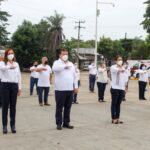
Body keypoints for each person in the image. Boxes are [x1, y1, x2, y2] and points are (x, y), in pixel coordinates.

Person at [52, 48, 78, 130]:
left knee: (68, 107)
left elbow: (75, 76)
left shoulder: (71, 64)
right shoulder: (56, 63)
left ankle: (66, 122)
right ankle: (59, 123)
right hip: (60, 89)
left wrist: (76, 86)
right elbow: (54, 69)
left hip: (70, 89)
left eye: (66, 54)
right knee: (59, 107)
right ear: (60, 55)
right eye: (63, 54)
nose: (65, 55)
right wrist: (64, 66)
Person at [0, 48, 21, 134]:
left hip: (14, 86)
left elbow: (19, 76)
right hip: (5, 85)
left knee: (13, 106)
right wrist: (9, 66)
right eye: (9, 53)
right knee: (5, 106)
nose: (11, 55)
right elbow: (2, 68)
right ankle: (4, 126)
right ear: (6, 55)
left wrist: (19, 88)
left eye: (12, 53)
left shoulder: (16, 64)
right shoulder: (2, 63)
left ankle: (13, 125)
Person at [110, 55, 128, 124]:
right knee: (114, 103)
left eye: (121, 59)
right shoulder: (113, 67)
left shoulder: (124, 68)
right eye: (119, 59)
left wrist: (125, 87)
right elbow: (119, 70)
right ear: (116, 61)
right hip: (114, 88)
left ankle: (117, 118)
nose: (120, 61)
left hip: (121, 88)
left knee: (118, 104)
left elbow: (125, 76)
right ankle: (113, 118)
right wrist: (121, 67)